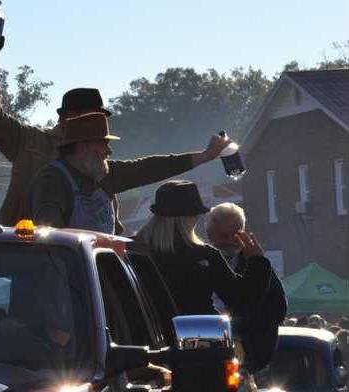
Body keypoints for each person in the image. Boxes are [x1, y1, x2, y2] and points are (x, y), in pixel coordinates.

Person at [0, 27, 230, 234]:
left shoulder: (99, 165)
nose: (106, 147)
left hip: (90, 262)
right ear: (69, 118)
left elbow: (148, 168)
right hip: (32, 256)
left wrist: (205, 156)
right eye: (92, 119)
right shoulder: (31, 142)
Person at [26, 113, 231, 233]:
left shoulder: (104, 172)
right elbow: (50, 235)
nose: (109, 151)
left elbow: (151, 168)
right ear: (82, 146)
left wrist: (205, 156)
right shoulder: (52, 180)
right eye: (103, 143)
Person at [132, 180, 272, 316]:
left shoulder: (130, 250)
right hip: (197, 336)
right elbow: (242, 301)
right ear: (190, 219)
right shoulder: (204, 256)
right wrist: (257, 260)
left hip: (136, 337)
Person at [205, 202, 287, 375]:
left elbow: (277, 309)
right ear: (210, 235)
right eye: (223, 235)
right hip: (207, 352)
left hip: (245, 357)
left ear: (242, 233)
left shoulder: (257, 266)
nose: (228, 242)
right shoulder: (202, 263)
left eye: (234, 235)